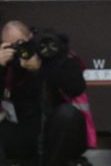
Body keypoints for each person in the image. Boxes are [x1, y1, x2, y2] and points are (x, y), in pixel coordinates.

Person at [0, 20, 90, 165]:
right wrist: (1, 66)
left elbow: (76, 87)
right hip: (23, 131)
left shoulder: (51, 51)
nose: (19, 50)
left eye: (22, 43)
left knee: (66, 114)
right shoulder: (8, 63)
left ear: (31, 36)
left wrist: (40, 69)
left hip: (57, 131)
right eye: (12, 46)